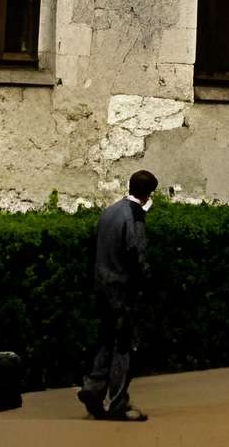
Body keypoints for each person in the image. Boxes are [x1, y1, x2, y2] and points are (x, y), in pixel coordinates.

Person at [80, 168, 155, 421]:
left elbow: (93, 246)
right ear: (148, 195)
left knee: (105, 340)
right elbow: (137, 253)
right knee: (124, 346)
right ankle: (118, 402)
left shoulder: (109, 212)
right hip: (123, 291)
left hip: (102, 286)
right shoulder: (135, 216)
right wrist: (146, 284)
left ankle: (92, 388)